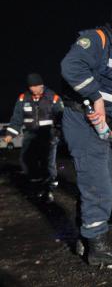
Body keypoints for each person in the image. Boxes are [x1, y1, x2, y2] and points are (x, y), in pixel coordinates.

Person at [60, 2, 112, 265]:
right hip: (82, 120)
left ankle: (85, 242)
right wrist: (95, 97)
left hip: (103, 126)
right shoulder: (96, 39)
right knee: (99, 187)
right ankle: (98, 249)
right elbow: (71, 67)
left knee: (95, 181)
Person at [3, 73, 63, 202]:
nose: (34, 89)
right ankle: (36, 184)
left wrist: (58, 132)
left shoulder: (53, 97)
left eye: (36, 86)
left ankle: (48, 189)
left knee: (48, 163)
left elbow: (61, 117)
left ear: (42, 85)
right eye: (31, 87)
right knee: (27, 160)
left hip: (48, 135)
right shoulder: (23, 98)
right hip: (31, 134)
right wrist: (10, 134)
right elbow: (17, 117)